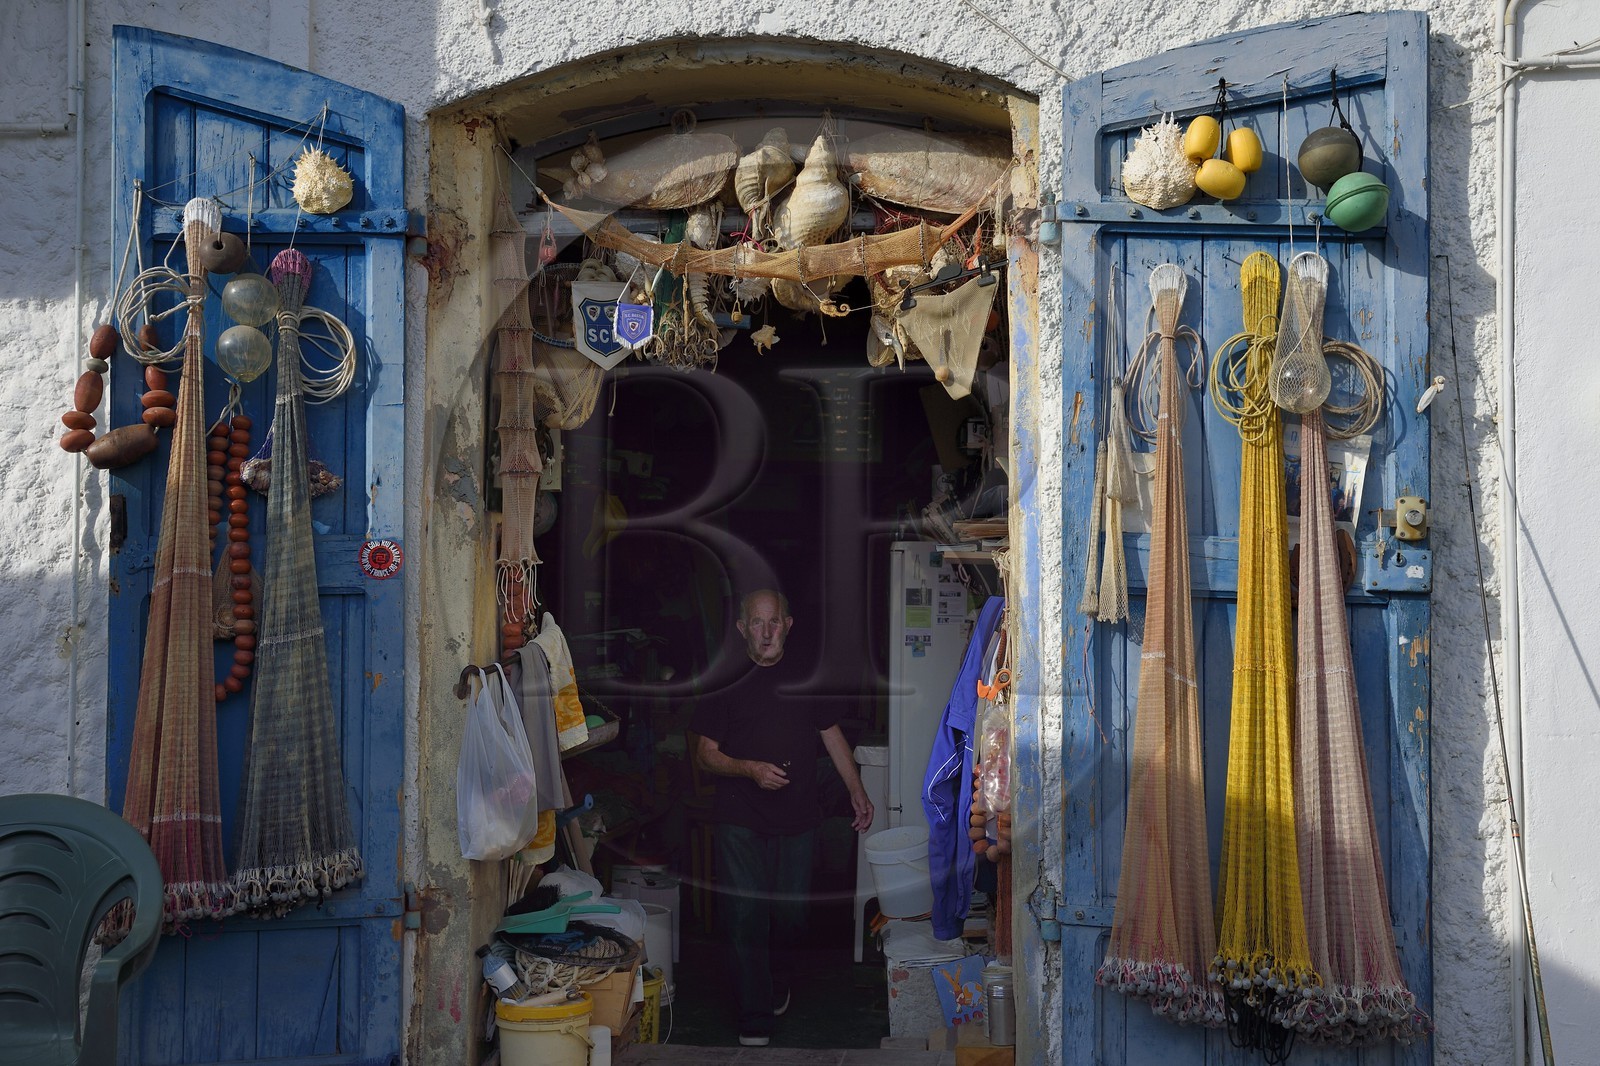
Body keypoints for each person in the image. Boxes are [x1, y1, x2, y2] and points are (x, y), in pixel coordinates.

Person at [691, 588, 874, 1047]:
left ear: (788, 625)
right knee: (745, 913)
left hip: (797, 817)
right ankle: (754, 1014)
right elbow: (705, 755)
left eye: (775, 622)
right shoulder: (724, 681)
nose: (767, 632)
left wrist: (857, 790)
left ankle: (777, 977)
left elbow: (831, 737)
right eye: (757, 622)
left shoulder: (807, 676)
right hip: (740, 816)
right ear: (742, 629)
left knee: (790, 916)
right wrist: (748, 769)